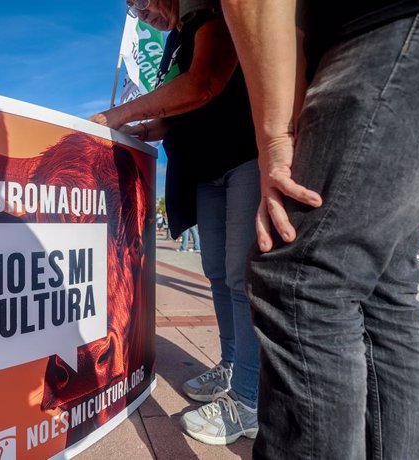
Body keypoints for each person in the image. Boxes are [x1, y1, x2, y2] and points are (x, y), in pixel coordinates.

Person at [219, 0, 419, 457]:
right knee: (385, 291)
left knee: (302, 282)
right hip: (411, 43)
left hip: (385, 35)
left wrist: (276, 140)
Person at [91, 0, 261, 445]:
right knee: (218, 275)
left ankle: (249, 401)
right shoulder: (174, 40)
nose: (142, 11)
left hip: (242, 156)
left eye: (144, 0)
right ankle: (230, 365)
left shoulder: (209, 14)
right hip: (204, 168)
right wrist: (147, 129)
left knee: (242, 280)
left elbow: (204, 83)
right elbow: (182, 109)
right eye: (133, 7)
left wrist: (118, 115)